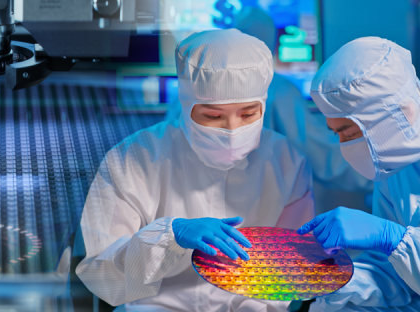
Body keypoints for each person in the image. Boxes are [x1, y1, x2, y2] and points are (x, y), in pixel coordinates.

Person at [75, 29, 315, 312]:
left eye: (248, 114)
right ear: (187, 105)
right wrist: (169, 236)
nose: (232, 130)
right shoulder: (132, 159)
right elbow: (103, 278)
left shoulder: (286, 160)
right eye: (213, 116)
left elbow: (289, 268)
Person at [166, 6, 373, 193]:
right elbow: (323, 158)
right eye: (214, 116)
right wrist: (377, 175)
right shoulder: (280, 92)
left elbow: (167, 151)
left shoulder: (191, 88)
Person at [296, 37, 420, 312]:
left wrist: (394, 238)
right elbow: (398, 277)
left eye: (350, 133)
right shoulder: (394, 168)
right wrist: (337, 281)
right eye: (337, 133)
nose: (345, 146)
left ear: (403, 113)